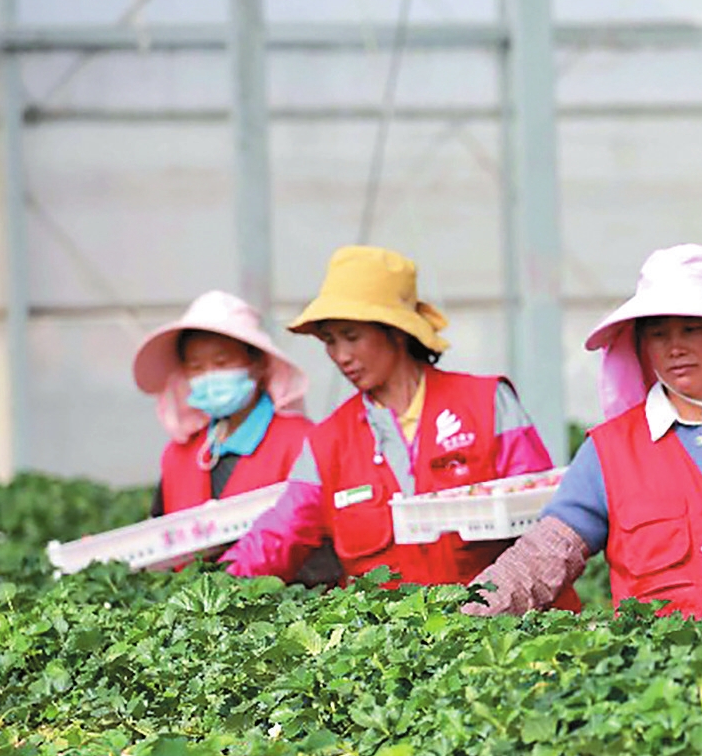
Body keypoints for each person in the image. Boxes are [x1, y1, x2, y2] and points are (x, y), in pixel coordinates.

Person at [465, 243, 702, 618]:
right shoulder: (610, 450)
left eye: (691, 329)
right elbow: (544, 555)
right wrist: (463, 613)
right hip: (656, 661)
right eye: (657, 334)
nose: (674, 347)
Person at [223, 245, 573, 600]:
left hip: (499, 623)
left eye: (352, 336)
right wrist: (217, 587)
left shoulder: (486, 403)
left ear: (397, 331)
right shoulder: (328, 441)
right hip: (388, 634)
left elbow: (543, 519)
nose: (341, 356)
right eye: (329, 341)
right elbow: (281, 532)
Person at [132, 291, 312, 516]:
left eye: (222, 363)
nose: (209, 376)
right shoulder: (179, 454)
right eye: (196, 367)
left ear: (258, 364)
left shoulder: (298, 441)